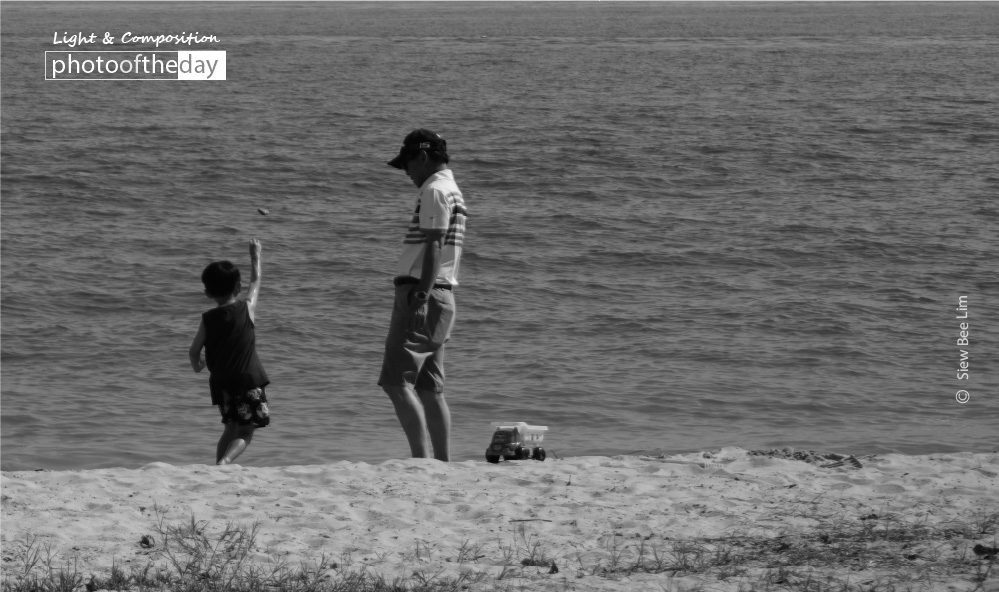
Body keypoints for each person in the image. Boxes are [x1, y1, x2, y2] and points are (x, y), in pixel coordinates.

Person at [380, 129, 468, 461]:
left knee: (395, 382)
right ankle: (442, 462)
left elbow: (434, 244)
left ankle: (422, 461)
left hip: (425, 293)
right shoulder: (452, 190)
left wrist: (419, 297)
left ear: (423, 157)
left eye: (407, 164)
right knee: (430, 388)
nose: (406, 172)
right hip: (442, 295)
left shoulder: (434, 190)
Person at [189, 239, 271, 465]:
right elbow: (256, 280)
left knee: (230, 427)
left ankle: (218, 467)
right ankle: (225, 462)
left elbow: (194, 351)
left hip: (222, 384)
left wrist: (198, 365)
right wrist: (255, 256)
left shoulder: (208, 319)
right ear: (238, 287)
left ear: (207, 292)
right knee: (246, 430)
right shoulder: (246, 308)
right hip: (248, 381)